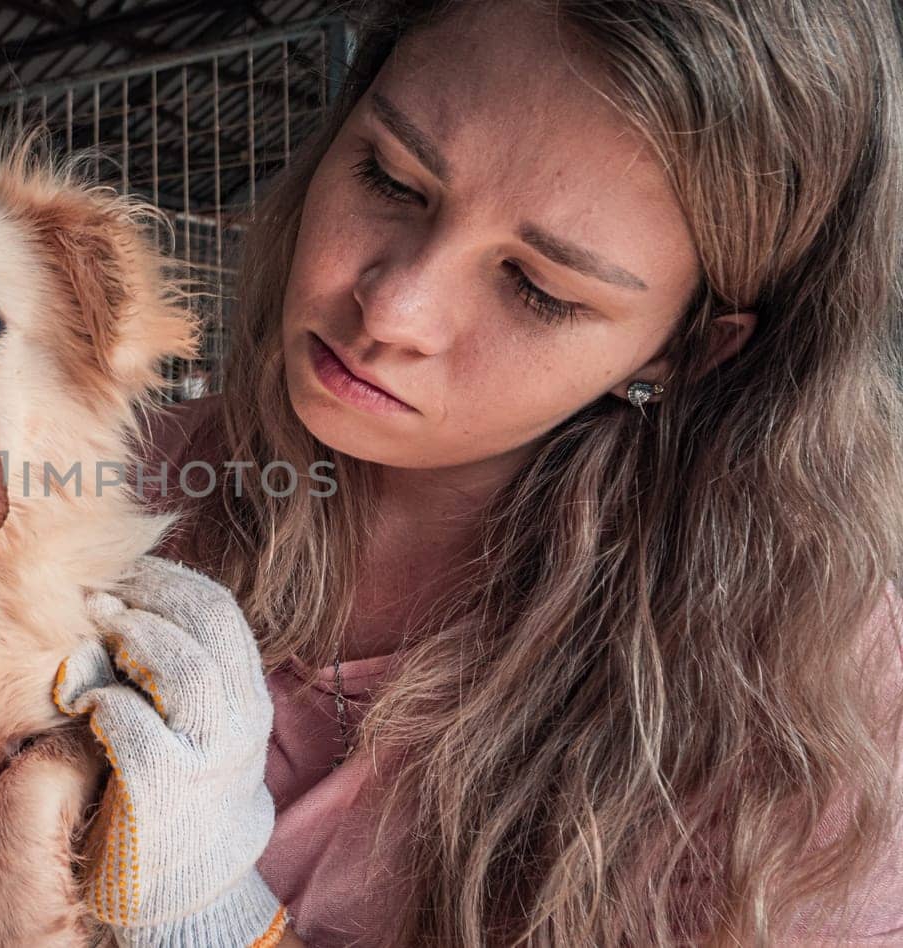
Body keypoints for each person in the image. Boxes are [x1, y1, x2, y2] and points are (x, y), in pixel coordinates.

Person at [57, 0, 903, 945]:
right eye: (392, 177)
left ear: (687, 351)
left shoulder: (808, 695)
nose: (393, 310)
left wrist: (214, 919)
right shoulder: (117, 478)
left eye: (539, 288)